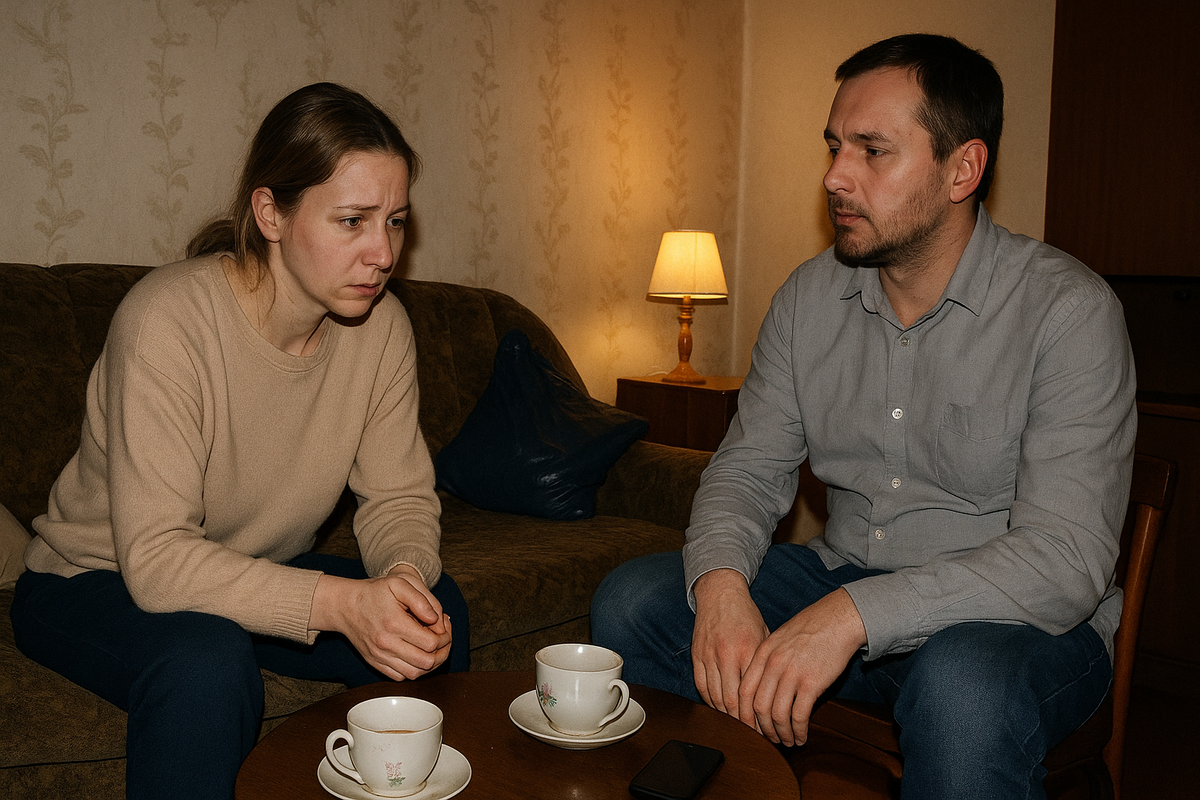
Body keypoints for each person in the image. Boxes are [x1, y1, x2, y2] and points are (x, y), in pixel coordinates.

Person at [592, 33, 1136, 799]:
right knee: (634, 603)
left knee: (961, 690)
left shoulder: (1067, 312)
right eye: (834, 147)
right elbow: (746, 470)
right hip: (845, 571)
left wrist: (852, 615)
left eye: (872, 151)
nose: (835, 177)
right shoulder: (807, 299)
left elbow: (1064, 560)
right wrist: (720, 588)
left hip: (1014, 624)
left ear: (963, 169)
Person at [10, 82, 469, 799]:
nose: (382, 253)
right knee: (206, 661)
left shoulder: (383, 331)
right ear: (271, 213)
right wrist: (341, 605)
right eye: (352, 221)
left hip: (250, 568)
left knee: (439, 615)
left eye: (396, 222)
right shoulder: (166, 322)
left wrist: (402, 583)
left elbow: (399, 499)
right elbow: (158, 562)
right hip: (93, 580)